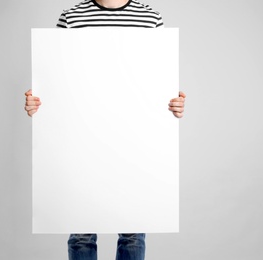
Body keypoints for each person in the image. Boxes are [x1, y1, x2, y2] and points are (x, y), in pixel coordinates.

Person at [24, 0, 186, 259]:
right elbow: (55, 80)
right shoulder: (71, 16)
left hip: (134, 143)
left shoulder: (150, 17)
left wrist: (174, 104)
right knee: (81, 235)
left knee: (133, 234)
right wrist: (37, 103)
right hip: (82, 144)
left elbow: (158, 81)